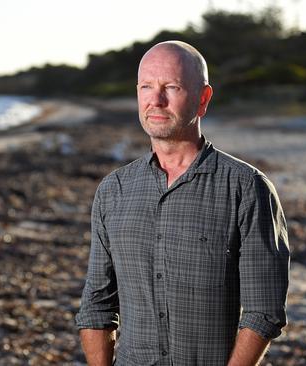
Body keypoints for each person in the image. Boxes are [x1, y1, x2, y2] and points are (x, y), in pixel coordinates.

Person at [75, 41, 290, 366]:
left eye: (171, 87)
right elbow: (96, 305)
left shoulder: (247, 188)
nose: (156, 100)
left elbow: (264, 311)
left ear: (203, 99)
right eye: (146, 86)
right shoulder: (113, 190)